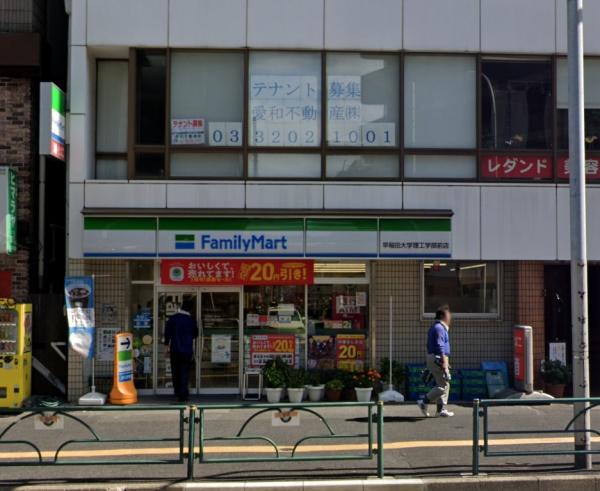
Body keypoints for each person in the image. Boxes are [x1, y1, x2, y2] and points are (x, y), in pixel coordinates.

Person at [418, 305, 454, 418]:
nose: (450, 317)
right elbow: (440, 346)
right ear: (443, 316)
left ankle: (441, 409)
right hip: (437, 358)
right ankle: (424, 401)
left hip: (435, 358)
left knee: (443, 383)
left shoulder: (437, 327)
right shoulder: (439, 328)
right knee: (443, 384)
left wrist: (445, 361)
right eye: (448, 315)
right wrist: (444, 362)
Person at [164, 299, 198, 402]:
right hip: (186, 350)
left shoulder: (173, 318)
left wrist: (166, 345)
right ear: (190, 309)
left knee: (175, 371)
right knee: (184, 372)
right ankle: (183, 394)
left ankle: (177, 392)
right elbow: (195, 334)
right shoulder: (191, 320)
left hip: (175, 349)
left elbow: (167, 334)